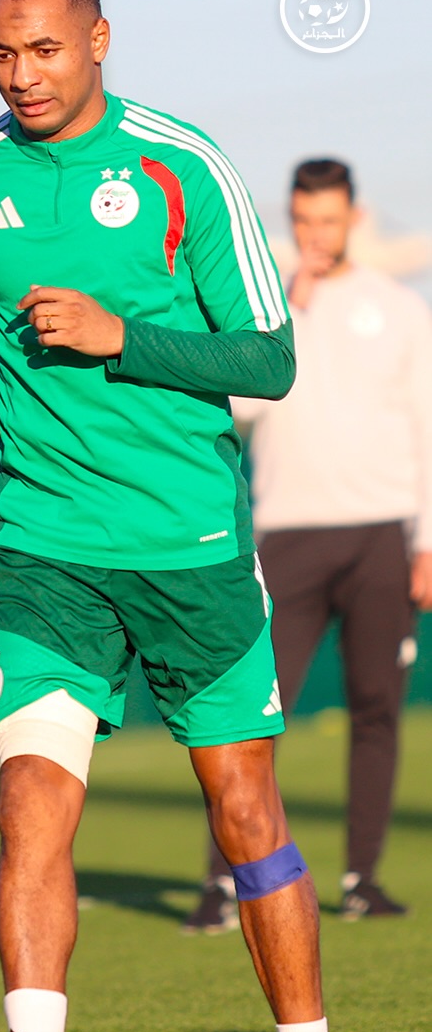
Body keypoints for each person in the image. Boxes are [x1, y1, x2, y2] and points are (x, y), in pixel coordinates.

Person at [0, 0, 358, 1032]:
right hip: (45, 553)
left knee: (246, 816)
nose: (22, 74)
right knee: (29, 807)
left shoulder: (182, 168)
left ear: (99, 40)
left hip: (190, 551)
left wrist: (123, 339)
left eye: (45, 49)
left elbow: (268, 359)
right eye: (2, 52)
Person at [185, 159, 432, 933]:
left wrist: (427, 542)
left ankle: (361, 879)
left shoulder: (399, 309)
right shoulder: (262, 307)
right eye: (302, 221)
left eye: (328, 220)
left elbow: (426, 425)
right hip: (286, 536)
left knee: (376, 709)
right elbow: (234, 409)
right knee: (250, 715)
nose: (315, 235)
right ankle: (223, 883)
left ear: (353, 219)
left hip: (381, 534)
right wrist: (287, 309)